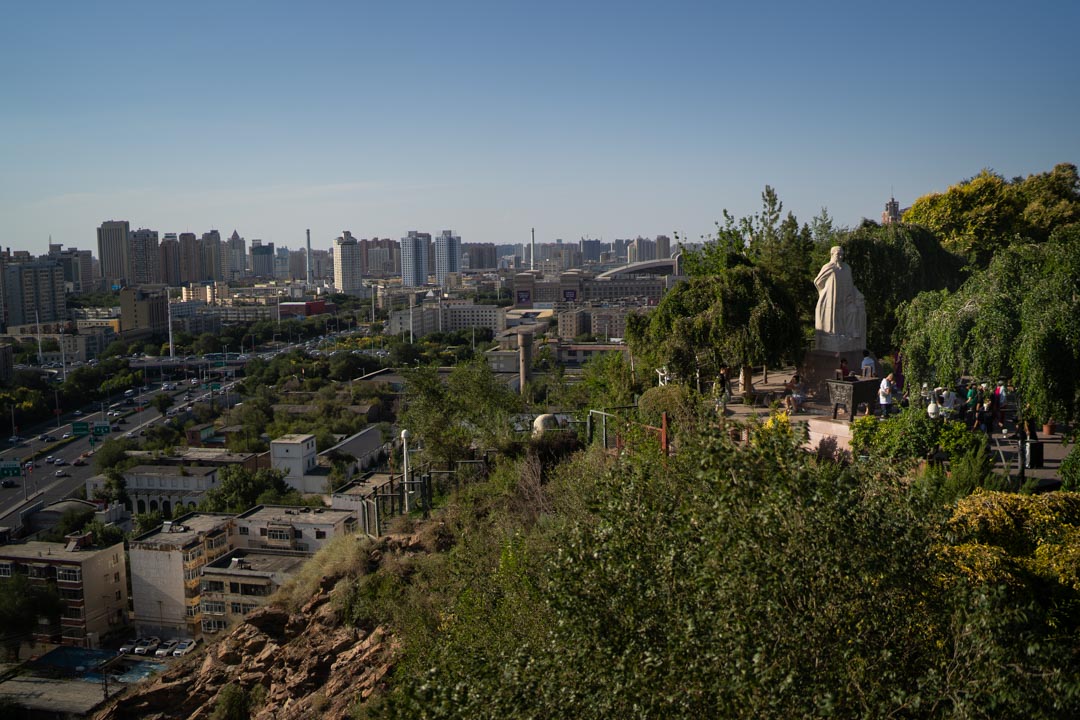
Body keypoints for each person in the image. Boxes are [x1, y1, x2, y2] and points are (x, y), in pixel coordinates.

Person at [814, 246, 867, 352]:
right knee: (833, 317)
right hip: (831, 298)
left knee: (853, 311)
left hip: (845, 298)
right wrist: (824, 293)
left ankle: (850, 334)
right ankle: (834, 336)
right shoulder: (828, 267)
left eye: (842, 254)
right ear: (832, 254)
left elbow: (851, 284)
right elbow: (817, 281)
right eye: (838, 254)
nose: (841, 256)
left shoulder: (847, 268)